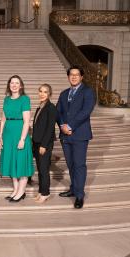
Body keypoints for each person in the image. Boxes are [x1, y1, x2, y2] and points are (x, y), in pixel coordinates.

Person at [56, 65, 96, 209]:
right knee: (70, 164)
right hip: (65, 135)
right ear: (68, 77)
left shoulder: (88, 92)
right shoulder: (64, 93)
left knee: (79, 165)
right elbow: (58, 111)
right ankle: (73, 189)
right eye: (71, 75)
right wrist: (62, 125)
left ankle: (79, 195)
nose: (73, 77)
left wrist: (70, 126)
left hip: (79, 134)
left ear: (81, 77)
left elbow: (85, 111)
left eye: (76, 75)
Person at [0, 75, 34, 202]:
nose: (14, 85)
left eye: (16, 83)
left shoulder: (25, 99)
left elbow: (26, 121)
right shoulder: (6, 99)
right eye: (11, 83)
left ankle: (21, 192)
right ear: (9, 85)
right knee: (12, 161)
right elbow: (3, 119)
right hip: (8, 135)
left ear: (21, 86)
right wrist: (0, 136)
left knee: (21, 163)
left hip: (19, 133)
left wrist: (23, 139)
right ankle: (16, 189)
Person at [32, 84, 57, 203]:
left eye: (45, 92)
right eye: (40, 91)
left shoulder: (51, 108)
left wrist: (44, 145)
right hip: (37, 142)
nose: (42, 94)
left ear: (49, 94)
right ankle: (41, 191)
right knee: (40, 169)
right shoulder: (40, 107)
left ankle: (45, 193)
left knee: (43, 169)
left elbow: (50, 128)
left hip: (44, 144)